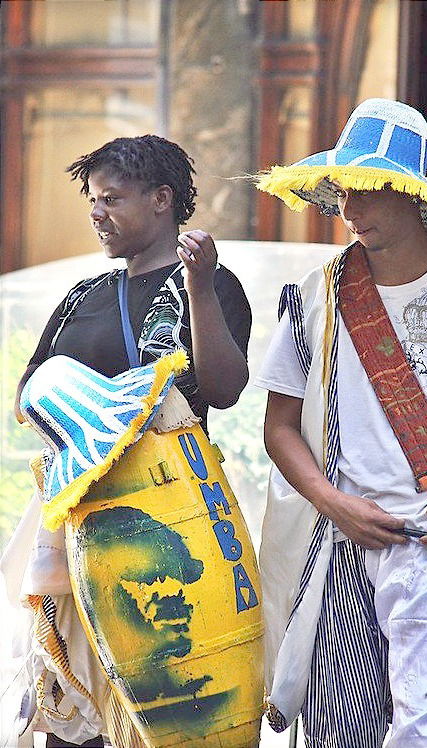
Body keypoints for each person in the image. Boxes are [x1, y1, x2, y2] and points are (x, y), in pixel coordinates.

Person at [254, 99, 427, 747]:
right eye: (343, 191)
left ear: (410, 193)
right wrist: (331, 501)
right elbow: (278, 425)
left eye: (368, 191)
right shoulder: (313, 296)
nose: (350, 210)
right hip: (342, 545)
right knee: (341, 733)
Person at [9, 134, 252, 748]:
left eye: (112, 199)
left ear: (162, 200)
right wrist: (85, 404)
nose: (96, 213)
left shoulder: (213, 286)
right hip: (77, 519)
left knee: (165, 705)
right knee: (74, 704)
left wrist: (199, 287)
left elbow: (223, 389)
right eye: (93, 200)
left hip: (168, 525)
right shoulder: (80, 299)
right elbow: (26, 397)